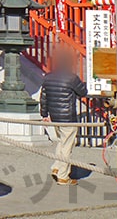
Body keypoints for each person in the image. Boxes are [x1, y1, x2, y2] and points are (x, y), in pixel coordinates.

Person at [40, 49, 87, 185]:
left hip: (55, 116)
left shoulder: (48, 77)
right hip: (68, 116)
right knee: (67, 145)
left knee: (61, 142)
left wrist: (44, 114)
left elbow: (43, 97)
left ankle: (56, 166)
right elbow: (83, 92)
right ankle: (63, 176)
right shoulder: (72, 78)